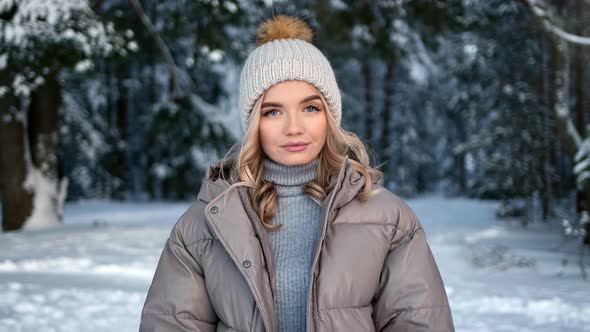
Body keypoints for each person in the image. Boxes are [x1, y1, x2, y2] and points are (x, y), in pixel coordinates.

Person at [139, 12, 454, 332]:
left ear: (329, 116)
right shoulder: (204, 224)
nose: (294, 127)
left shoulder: (388, 218)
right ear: (253, 124)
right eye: (273, 111)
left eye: (310, 108)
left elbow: (420, 322)